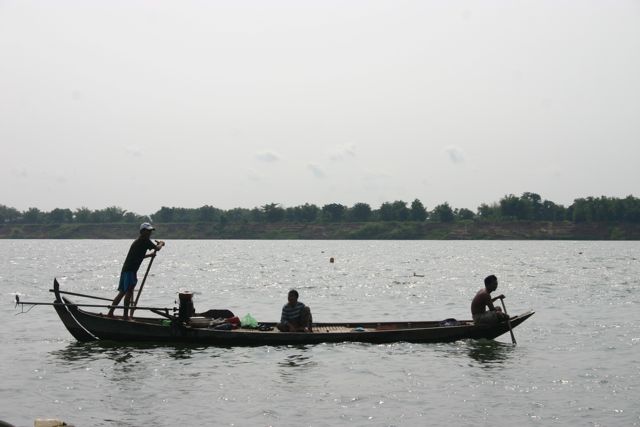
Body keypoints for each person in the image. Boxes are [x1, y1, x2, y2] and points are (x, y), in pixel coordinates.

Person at [108, 222, 165, 320]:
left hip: (127, 269)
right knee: (129, 291)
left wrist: (150, 255)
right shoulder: (144, 240)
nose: (150, 233)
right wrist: (161, 243)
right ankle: (125, 316)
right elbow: (157, 248)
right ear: (142, 231)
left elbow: (138, 256)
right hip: (130, 270)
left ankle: (111, 313)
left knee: (123, 292)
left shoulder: (140, 241)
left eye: (150, 231)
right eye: (148, 231)